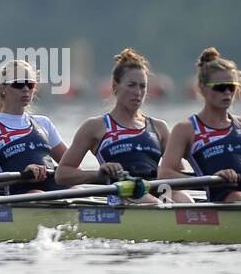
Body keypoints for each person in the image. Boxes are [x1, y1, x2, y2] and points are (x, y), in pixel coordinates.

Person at [159, 47, 241, 202]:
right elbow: (165, 173)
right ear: (202, 87)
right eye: (220, 87)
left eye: (231, 87)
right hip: (222, 192)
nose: (227, 93)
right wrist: (208, 179)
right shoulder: (186, 129)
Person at [56, 48, 171, 202]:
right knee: (161, 205)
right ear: (115, 86)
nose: (138, 92)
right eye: (131, 85)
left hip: (155, 191)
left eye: (142, 86)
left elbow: (174, 171)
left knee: (183, 199)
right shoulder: (95, 127)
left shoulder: (159, 127)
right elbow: (62, 174)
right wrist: (97, 174)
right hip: (122, 195)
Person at [0, 59, 68, 196]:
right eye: (19, 84)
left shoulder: (44, 123)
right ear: (3, 88)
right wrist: (22, 175)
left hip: (54, 189)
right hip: (18, 193)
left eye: (30, 84)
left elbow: (70, 166)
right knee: (36, 193)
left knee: (78, 192)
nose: (26, 89)